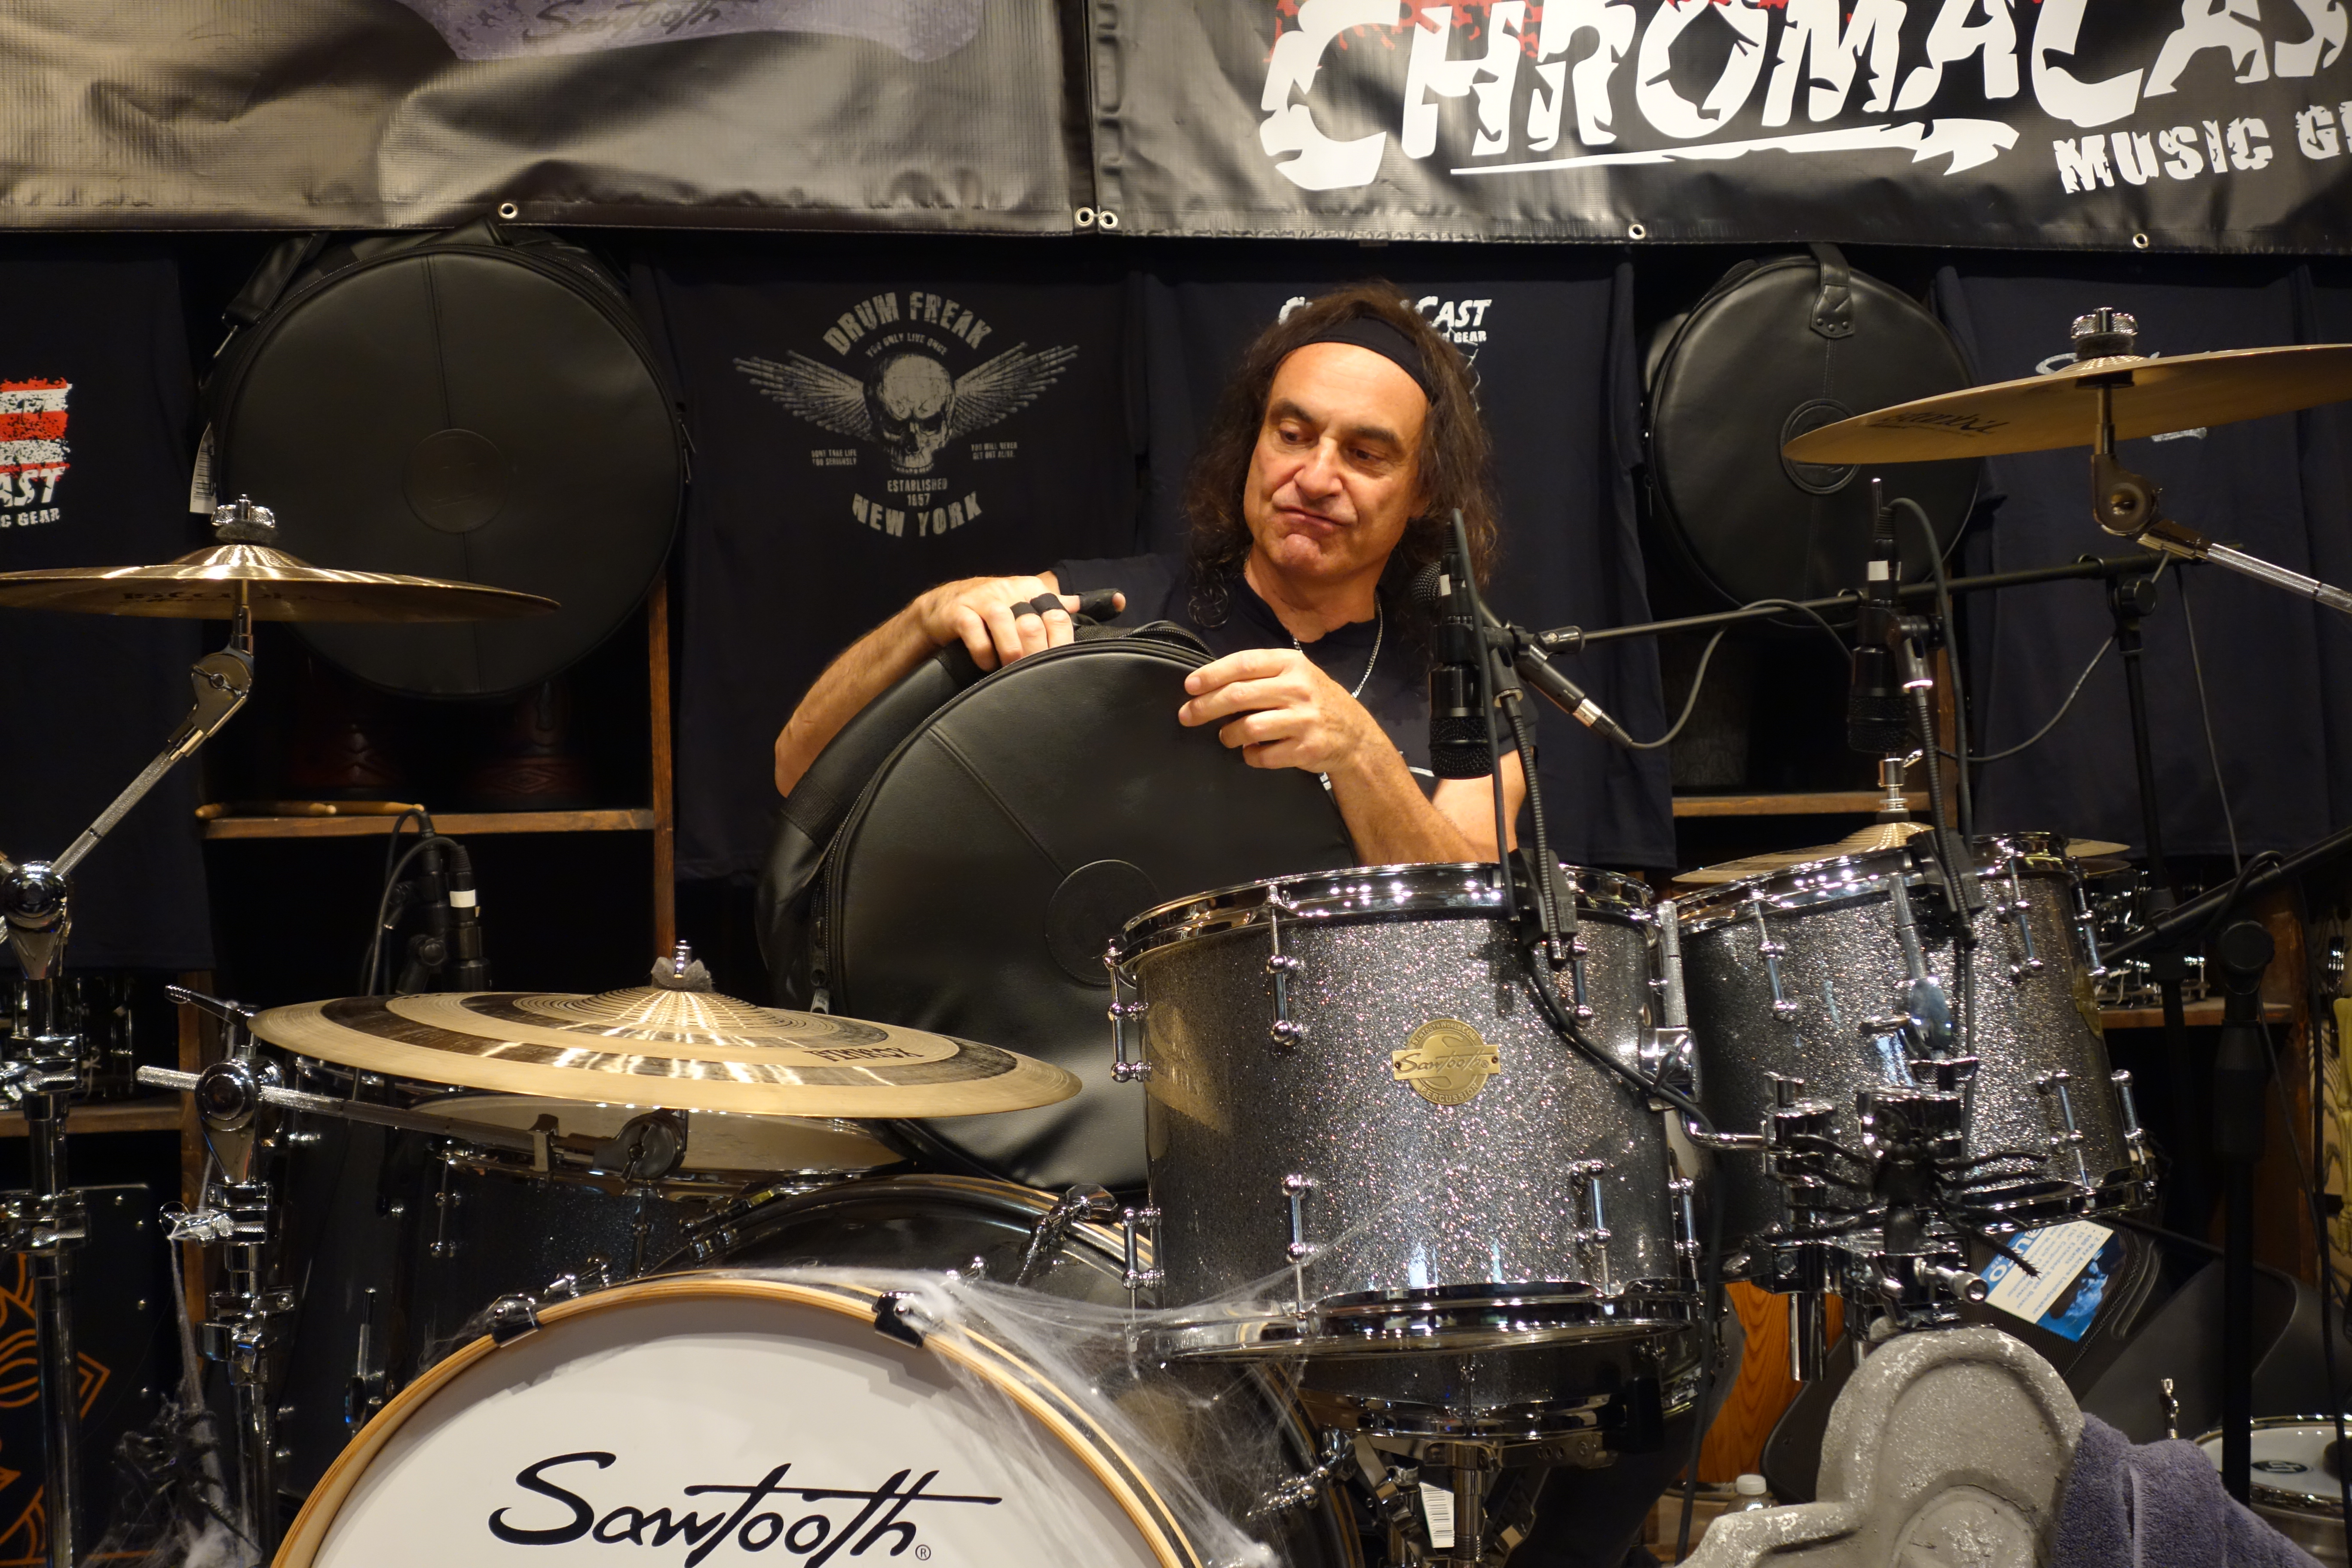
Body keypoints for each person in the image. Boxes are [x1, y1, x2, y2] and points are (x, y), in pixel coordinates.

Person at [770, 282, 1527, 862]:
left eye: (1364, 454)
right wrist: (923, 621)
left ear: (1424, 491)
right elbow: (799, 769)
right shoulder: (1098, 612)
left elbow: (1477, 925)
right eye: (1293, 435)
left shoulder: (1463, 677)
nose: (1316, 477)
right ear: (1253, 446)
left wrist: (1361, 753)